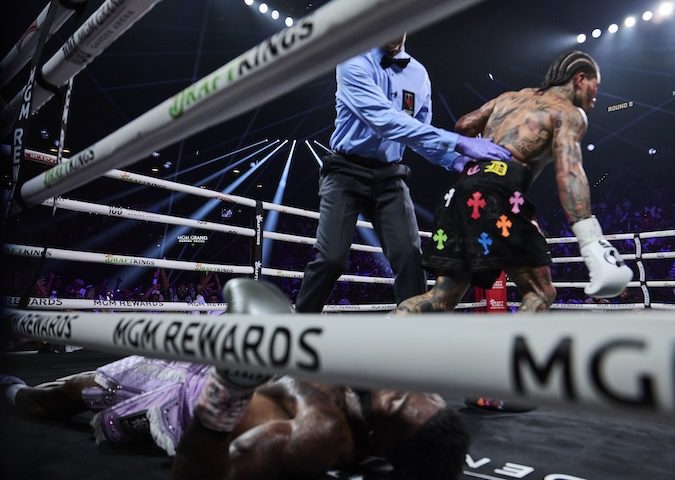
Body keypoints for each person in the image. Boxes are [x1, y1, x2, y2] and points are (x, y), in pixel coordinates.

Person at [1, 280, 469, 479]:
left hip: (183, 398)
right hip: (226, 355)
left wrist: (231, 384)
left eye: (398, 403)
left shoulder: (315, 436)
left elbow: (202, 476)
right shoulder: (380, 388)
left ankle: (11, 392)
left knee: (60, 398)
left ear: (379, 441)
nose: (398, 387)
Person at [395, 50, 632, 316]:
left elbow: (464, 125)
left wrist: (487, 142)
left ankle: (383, 337)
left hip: (459, 192)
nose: (596, 96)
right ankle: (508, 356)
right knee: (541, 293)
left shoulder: (509, 98)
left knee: (440, 298)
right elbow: (570, 171)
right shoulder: (568, 113)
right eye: (595, 86)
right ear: (580, 78)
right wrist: (590, 239)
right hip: (497, 193)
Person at [295, 33, 511, 312]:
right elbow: (385, 120)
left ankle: (416, 339)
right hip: (345, 172)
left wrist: (457, 161)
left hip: (390, 177)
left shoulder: (418, 74)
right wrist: (459, 142)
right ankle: (297, 324)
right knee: (331, 259)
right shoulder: (352, 62)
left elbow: (419, 136)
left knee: (410, 255)